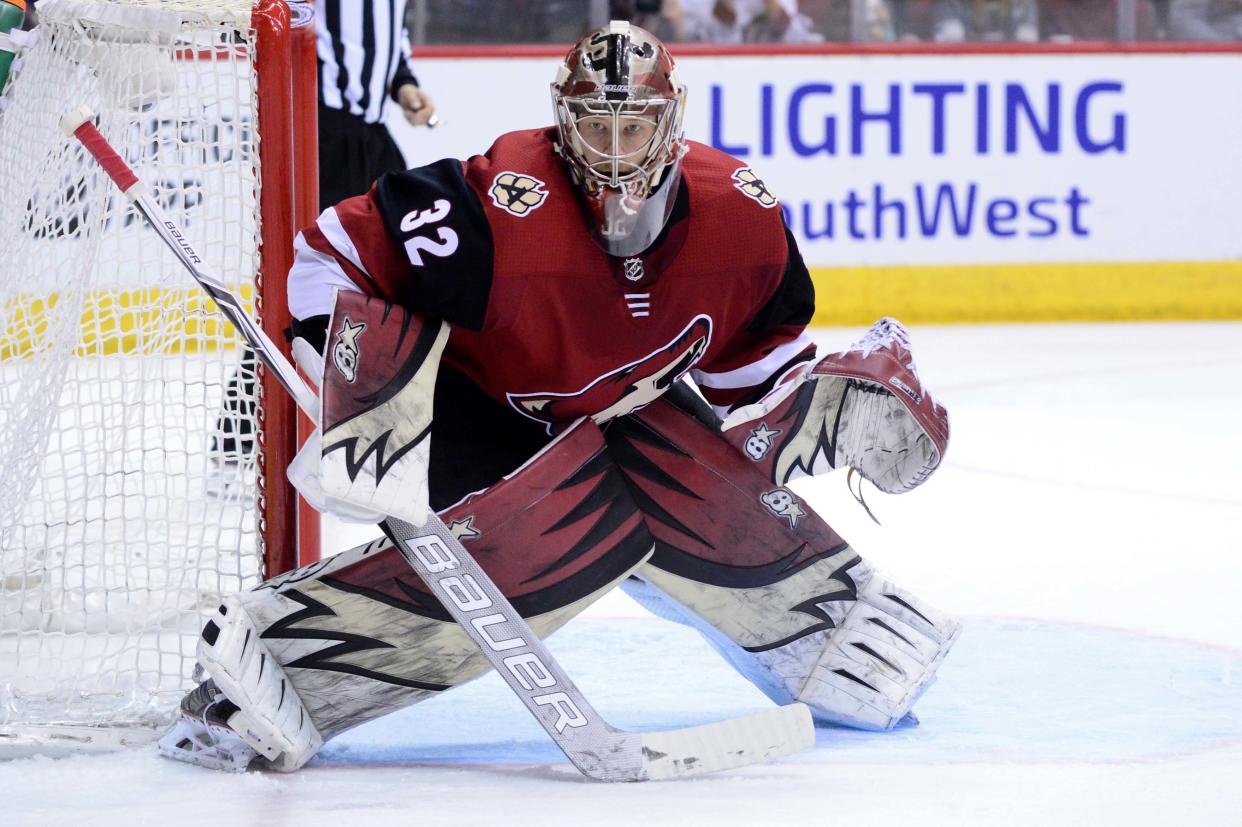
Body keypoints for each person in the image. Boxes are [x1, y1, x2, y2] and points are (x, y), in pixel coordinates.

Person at [160, 21, 959, 773]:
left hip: (595, 416)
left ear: (671, 123)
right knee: (573, 533)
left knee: (673, 469)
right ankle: (280, 661)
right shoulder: (500, 209)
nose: (615, 152)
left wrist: (812, 409)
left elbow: (753, 377)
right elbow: (330, 253)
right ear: (561, 123)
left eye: (634, 126)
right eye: (595, 126)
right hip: (461, 413)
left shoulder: (742, 220)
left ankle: (820, 623)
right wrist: (369, 391)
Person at [212, 1, 436, 467]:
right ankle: (240, 438)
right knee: (298, 289)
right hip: (321, 129)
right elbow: (281, 22)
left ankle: (386, 432)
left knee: (413, 274)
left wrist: (404, 86)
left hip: (371, 137)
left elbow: (386, 42)